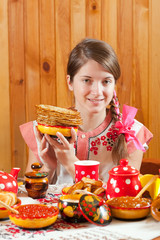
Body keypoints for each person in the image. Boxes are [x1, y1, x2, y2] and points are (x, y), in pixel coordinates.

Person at [20, 38, 153, 184]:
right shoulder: (44, 129)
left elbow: (124, 200)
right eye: (86, 80)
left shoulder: (132, 133)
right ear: (70, 82)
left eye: (106, 81)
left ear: (114, 83)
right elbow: (29, 198)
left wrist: (71, 162)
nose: (97, 92)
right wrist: (49, 166)